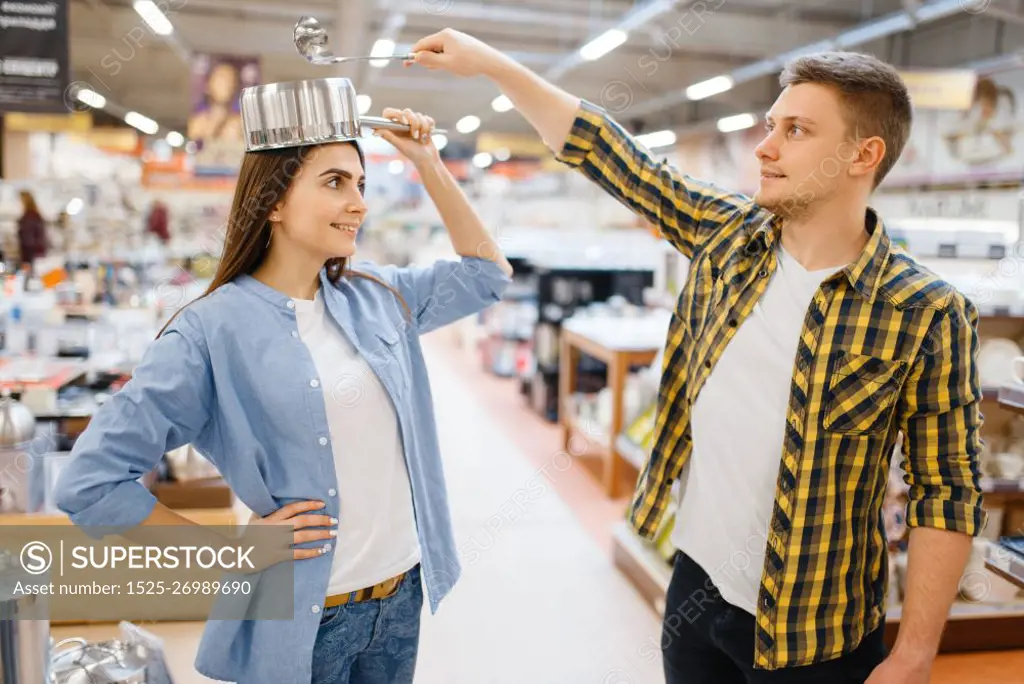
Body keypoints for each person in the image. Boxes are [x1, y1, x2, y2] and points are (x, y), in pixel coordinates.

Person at [407, 32, 986, 684]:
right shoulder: (727, 236)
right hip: (696, 587)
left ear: (864, 154)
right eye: (772, 126)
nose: (765, 147)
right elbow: (611, 154)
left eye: (795, 130)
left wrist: (913, 653)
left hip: (814, 630)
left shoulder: (927, 312)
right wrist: (490, 62)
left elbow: (948, 492)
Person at [54, 106, 513, 684]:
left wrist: (427, 160)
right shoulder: (209, 332)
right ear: (272, 201)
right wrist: (227, 553)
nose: (359, 203)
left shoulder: (375, 294)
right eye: (335, 182)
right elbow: (89, 483)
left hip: (401, 601)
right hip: (304, 619)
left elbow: (488, 276)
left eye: (361, 184)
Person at [17, 190, 48, 267]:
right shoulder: (35, 214)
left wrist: (25, 257)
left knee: (30, 274)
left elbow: (28, 237)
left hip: (31, 252)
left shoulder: (29, 216)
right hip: (36, 252)